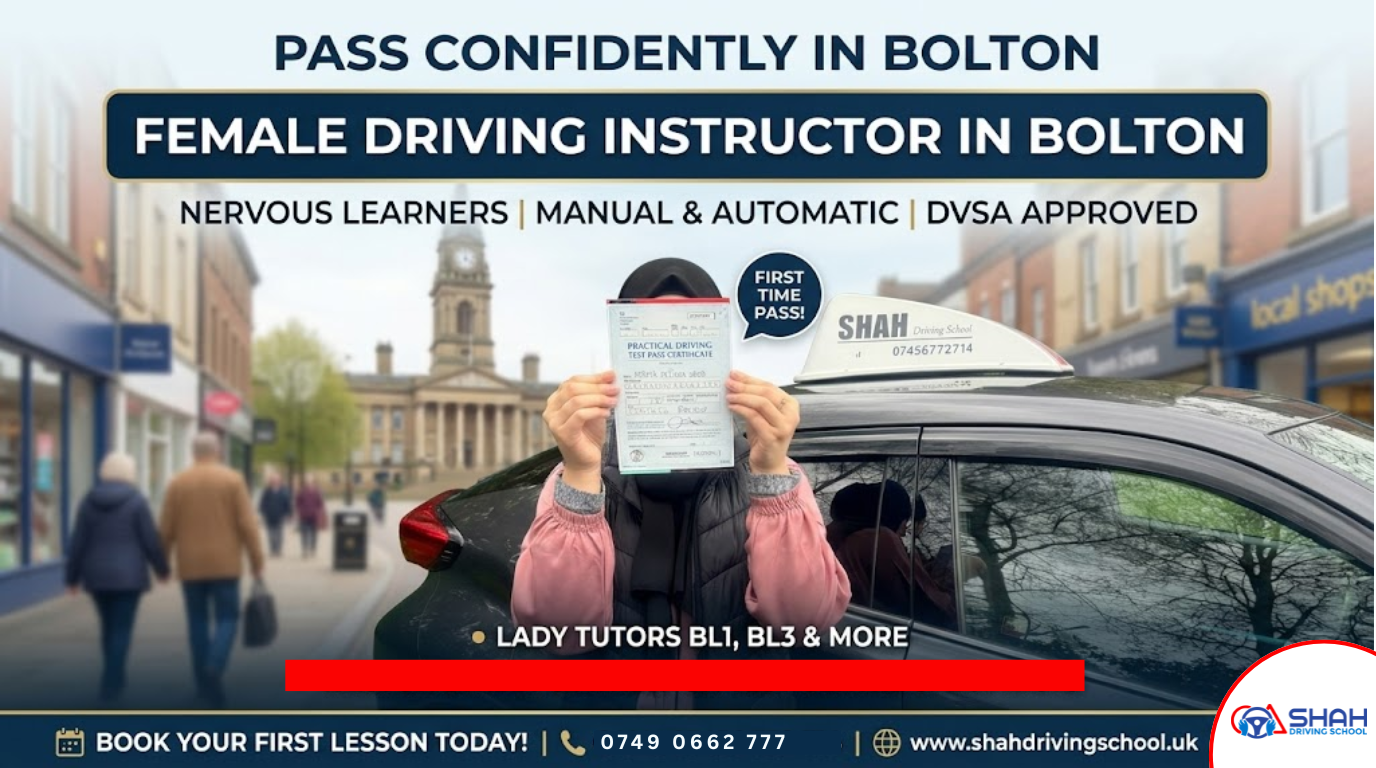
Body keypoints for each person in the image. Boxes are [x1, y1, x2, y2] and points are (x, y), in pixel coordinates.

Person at [511, 258, 850, 710]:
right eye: (647, 335)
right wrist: (579, 473)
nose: (669, 352)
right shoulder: (582, 480)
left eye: (690, 335)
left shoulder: (770, 477)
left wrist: (769, 471)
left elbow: (805, 622)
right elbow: (557, 629)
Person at [160, 432, 265, 707]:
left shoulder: (177, 483)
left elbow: (166, 528)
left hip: (190, 565)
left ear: (194, 453)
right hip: (225, 565)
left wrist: (162, 563)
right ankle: (215, 665)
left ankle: (203, 684)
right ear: (217, 451)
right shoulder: (233, 481)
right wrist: (257, 561)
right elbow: (247, 525)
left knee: (196, 622)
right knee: (228, 618)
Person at [65, 453, 170, 702]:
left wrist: (72, 578)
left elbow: (78, 541)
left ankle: (115, 676)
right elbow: (150, 540)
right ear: (130, 473)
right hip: (129, 576)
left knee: (107, 627)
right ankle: (111, 682)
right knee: (122, 629)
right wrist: (162, 569)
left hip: (97, 575)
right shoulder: (137, 501)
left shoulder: (88, 501)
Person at [826, 481, 984, 629]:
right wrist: (955, 570)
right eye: (905, 522)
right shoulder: (879, 541)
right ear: (892, 518)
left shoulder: (836, 540)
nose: (903, 532)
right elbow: (930, 609)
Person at [257, 470, 292, 557]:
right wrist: (262, 512)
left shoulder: (284, 491)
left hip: (280, 515)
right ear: (271, 481)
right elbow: (262, 502)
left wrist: (289, 513)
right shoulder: (267, 491)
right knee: (271, 534)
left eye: (277, 479)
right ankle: (273, 549)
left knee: (279, 534)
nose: (275, 481)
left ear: (280, 480)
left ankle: (278, 549)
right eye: (273, 479)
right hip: (269, 515)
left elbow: (287, 503)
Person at [294, 474, 326, 557]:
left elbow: (320, 504)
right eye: (307, 481)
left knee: (314, 534)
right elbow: (297, 503)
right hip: (304, 516)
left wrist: (319, 513)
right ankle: (305, 549)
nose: (309, 483)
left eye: (310, 481)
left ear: (313, 482)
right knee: (304, 534)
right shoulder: (301, 491)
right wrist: (300, 511)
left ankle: (312, 549)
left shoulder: (317, 492)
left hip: (314, 516)